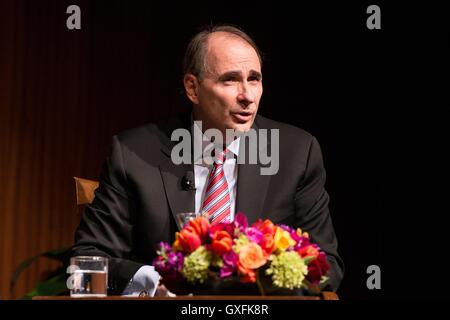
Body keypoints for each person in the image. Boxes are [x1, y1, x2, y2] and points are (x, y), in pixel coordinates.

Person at [72, 25, 344, 296]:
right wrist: (155, 282)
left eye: (254, 79)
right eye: (230, 80)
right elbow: (90, 259)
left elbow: (326, 265)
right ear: (192, 88)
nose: (247, 96)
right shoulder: (134, 153)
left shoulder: (296, 153)